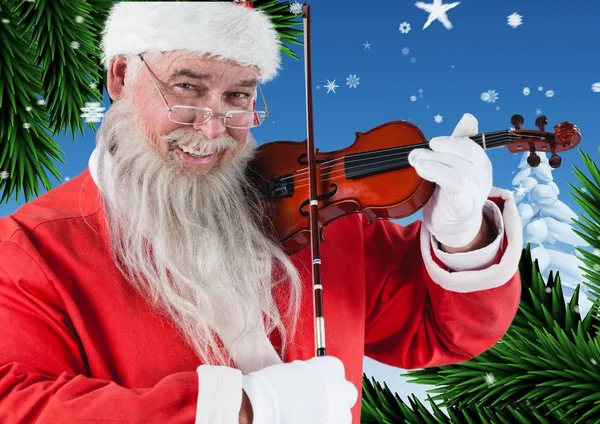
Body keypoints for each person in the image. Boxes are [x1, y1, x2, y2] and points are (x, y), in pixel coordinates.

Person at [0, 2, 523, 423]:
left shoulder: (310, 214)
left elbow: (438, 332)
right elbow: (16, 403)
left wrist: (462, 235)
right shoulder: (29, 250)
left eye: (238, 96)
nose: (212, 128)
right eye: (187, 88)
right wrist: (244, 410)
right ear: (119, 77)